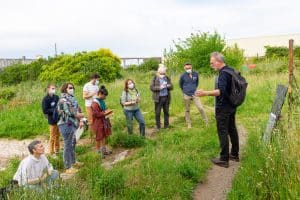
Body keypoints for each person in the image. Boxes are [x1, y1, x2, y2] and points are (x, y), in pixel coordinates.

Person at [195, 52, 239, 168]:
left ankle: (224, 159)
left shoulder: (223, 74)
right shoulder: (231, 70)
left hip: (223, 107)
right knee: (232, 129)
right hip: (232, 106)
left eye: (212, 63)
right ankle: (234, 154)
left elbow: (221, 91)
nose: (211, 65)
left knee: (222, 131)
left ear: (218, 61)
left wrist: (205, 93)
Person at [57, 83, 85, 173]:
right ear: (65, 89)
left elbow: (78, 110)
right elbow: (71, 113)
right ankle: (68, 167)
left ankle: (73, 162)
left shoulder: (72, 99)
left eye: (72, 88)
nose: (72, 89)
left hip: (72, 124)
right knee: (68, 145)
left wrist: (80, 118)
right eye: (70, 88)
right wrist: (81, 115)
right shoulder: (63, 100)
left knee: (72, 144)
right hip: (65, 124)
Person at [179, 63, 208, 128]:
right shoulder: (182, 76)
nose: (188, 69)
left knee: (200, 108)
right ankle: (189, 124)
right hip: (186, 94)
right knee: (187, 110)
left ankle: (206, 121)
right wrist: (185, 91)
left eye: (189, 68)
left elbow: (197, 83)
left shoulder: (195, 74)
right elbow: (180, 85)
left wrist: (194, 89)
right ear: (184, 68)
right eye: (186, 68)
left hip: (195, 93)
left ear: (191, 67)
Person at [91, 85, 113, 158]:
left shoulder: (101, 101)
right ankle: (98, 152)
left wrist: (108, 111)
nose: (105, 97)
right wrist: (105, 113)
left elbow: (104, 108)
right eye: (104, 96)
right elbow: (96, 114)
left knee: (104, 136)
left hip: (104, 121)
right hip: (98, 123)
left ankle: (104, 150)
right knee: (99, 137)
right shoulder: (95, 103)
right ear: (100, 94)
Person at [150, 64, 173, 130]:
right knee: (157, 113)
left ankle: (166, 126)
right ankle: (158, 127)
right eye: (162, 72)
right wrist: (160, 87)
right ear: (158, 72)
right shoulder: (155, 78)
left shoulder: (167, 78)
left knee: (166, 112)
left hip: (166, 97)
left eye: (164, 72)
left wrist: (168, 86)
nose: (163, 73)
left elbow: (172, 87)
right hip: (158, 98)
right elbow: (151, 87)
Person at [42, 84, 60, 157]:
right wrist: (54, 110)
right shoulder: (45, 99)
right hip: (52, 120)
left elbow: (59, 105)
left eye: (54, 88)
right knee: (52, 136)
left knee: (58, 136)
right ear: (48, 89)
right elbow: (45, 110)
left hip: (58, 119)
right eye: (52, 88)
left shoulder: (56, 97)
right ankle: (51, 152)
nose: (54, 89)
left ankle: (57, 150)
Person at [83, 74, 100, 140]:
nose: (98, 81)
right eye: (97, 79)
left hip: (96, 105)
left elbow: (97, 95)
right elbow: (84, 96)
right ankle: (91, 136)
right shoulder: (86, 85)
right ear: (94, 78)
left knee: (96, 119)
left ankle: (96, 134)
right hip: (89, 105)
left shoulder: (96, 86)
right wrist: (92, 94)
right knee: (91, 120)